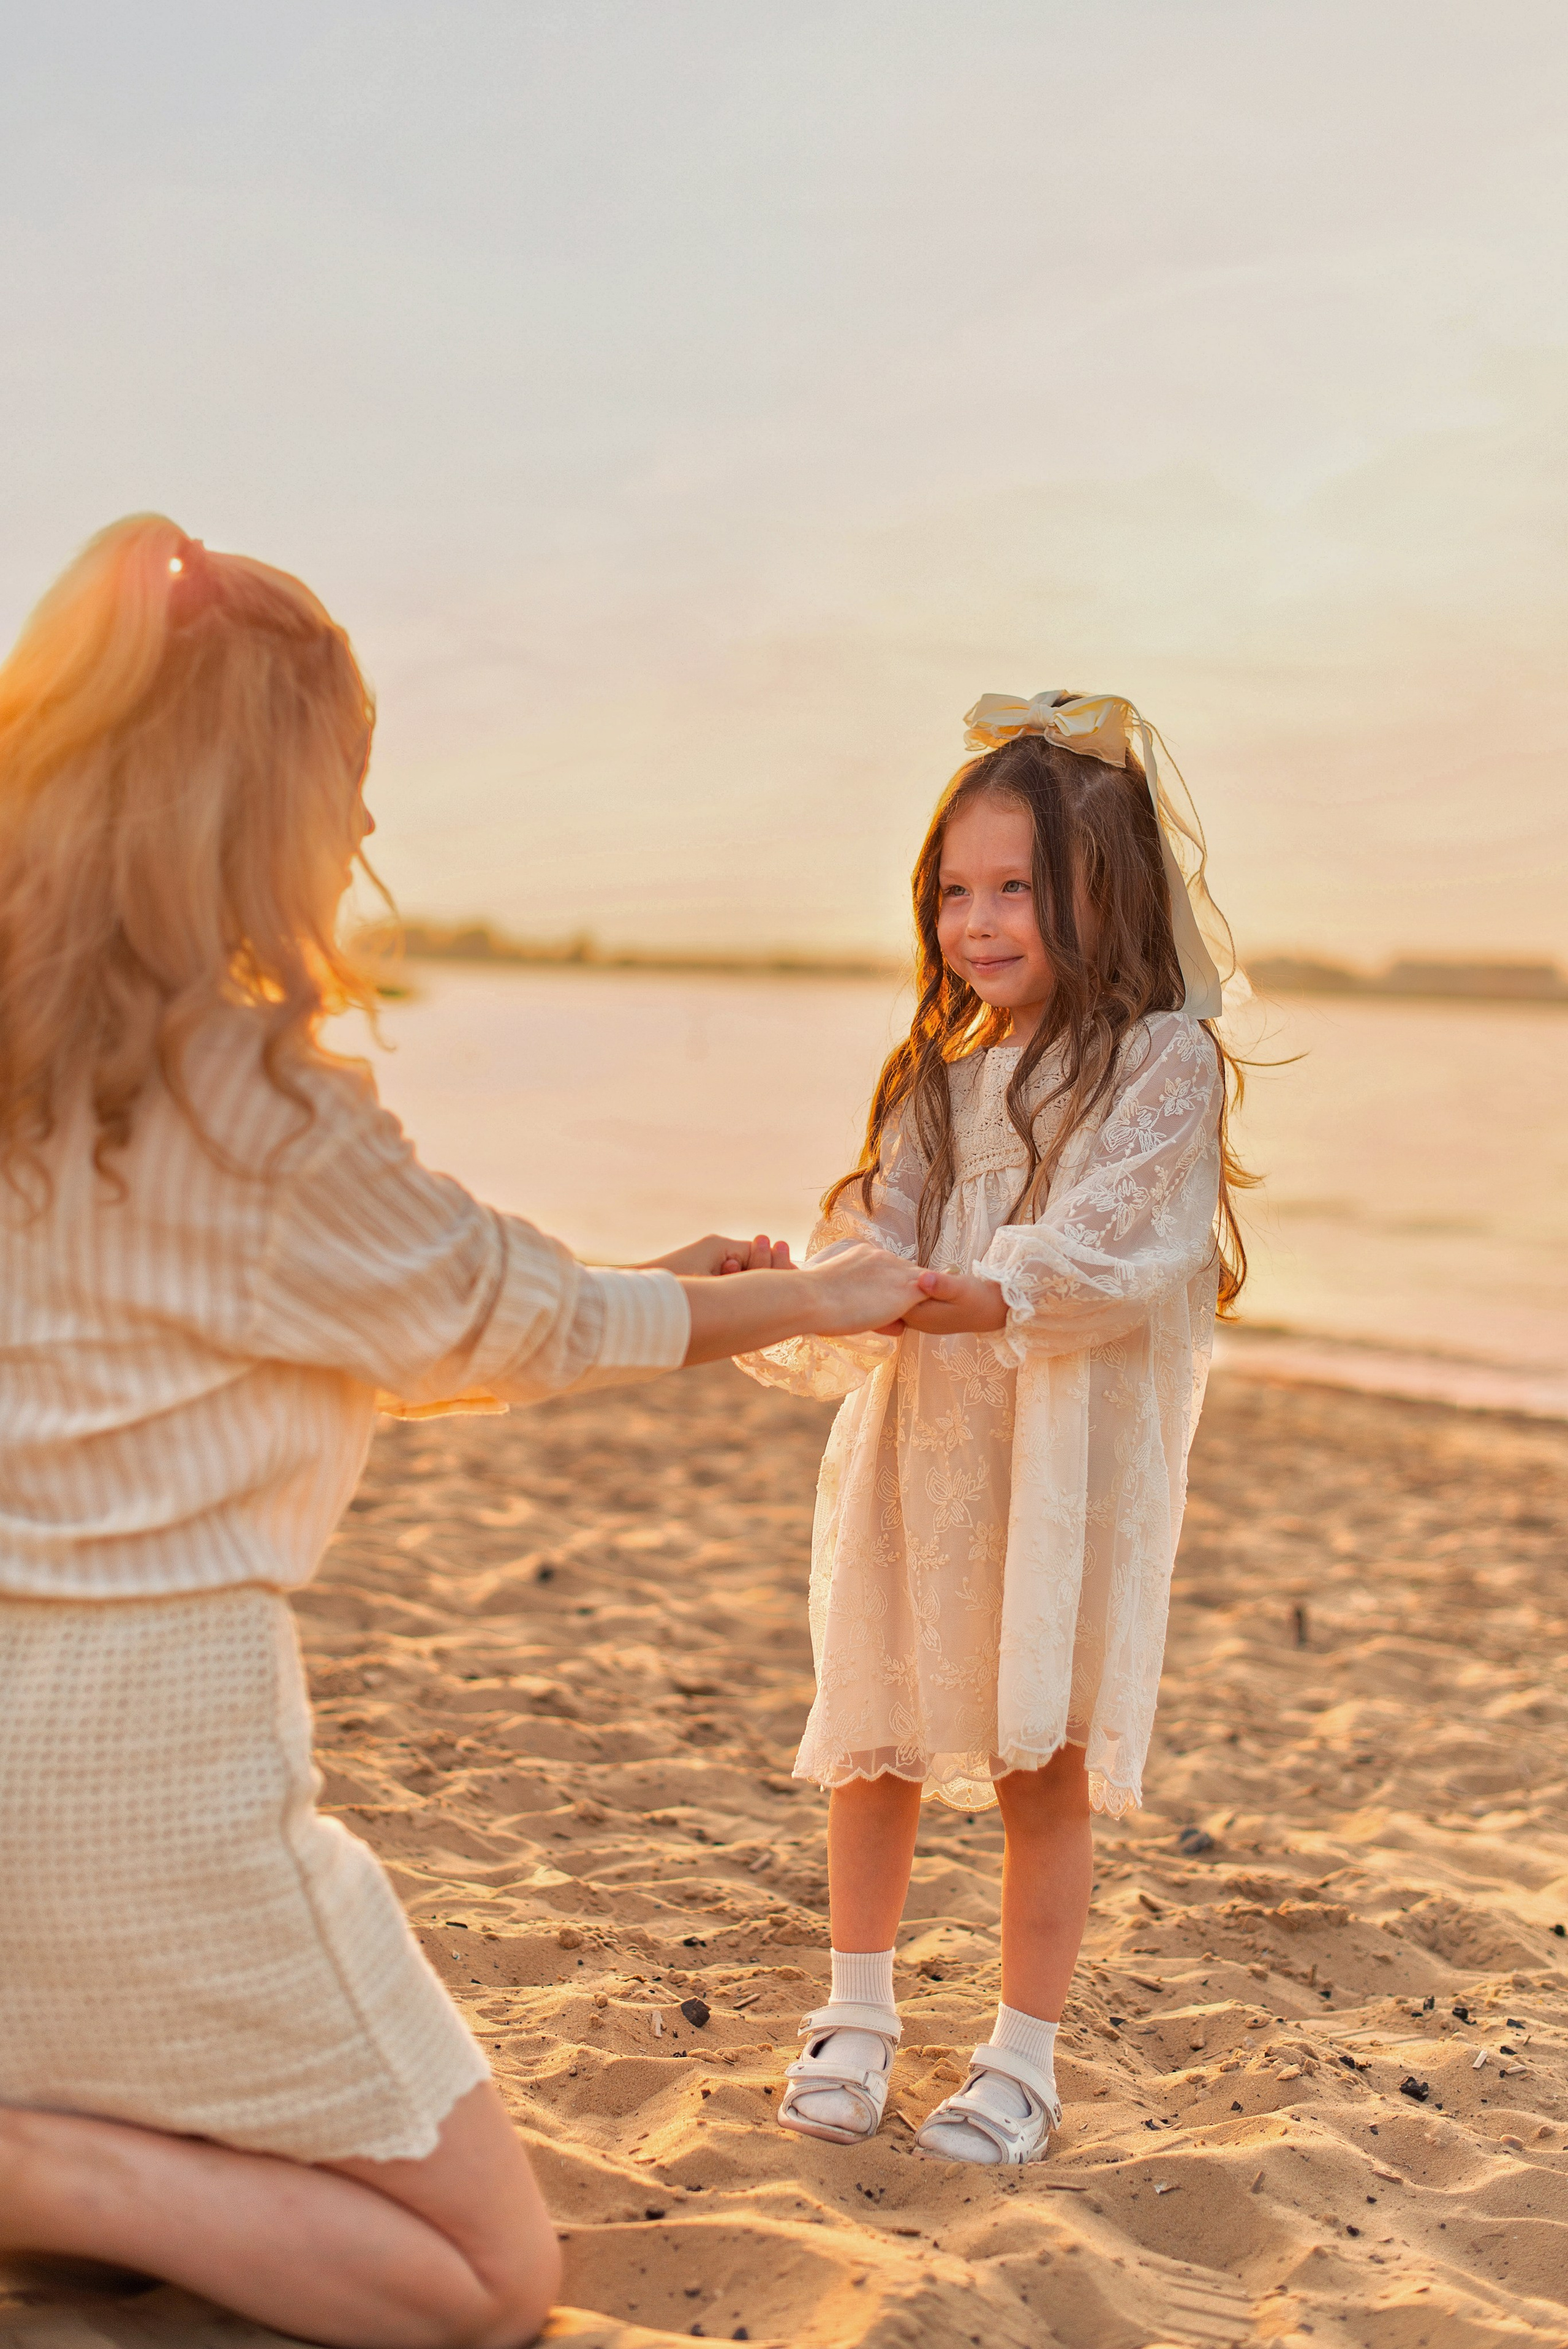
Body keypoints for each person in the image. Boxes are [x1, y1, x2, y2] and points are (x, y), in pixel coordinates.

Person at [0, 516, 934, 2348]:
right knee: (481, 2278)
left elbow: (359, 1323)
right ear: (252, 810)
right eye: (345, 797)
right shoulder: (264, 1103)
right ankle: (38, 2171)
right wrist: (811, 1294)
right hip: (150, 1772)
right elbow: (531, 1323)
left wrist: (657, 1271)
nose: (357, 845)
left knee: (154, 2169)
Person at [736, 689, 1251, 2165]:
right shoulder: (934, 1088)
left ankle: (1022, 2056)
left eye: (1013, 886)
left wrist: (964, 1289)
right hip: (925, 1458)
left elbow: (1109, 1257)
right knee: (877, 1733)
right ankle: (855, 2011)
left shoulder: (1161, 1064)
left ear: (1103, 889)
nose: (977, 920)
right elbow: (867, 1255)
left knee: (1044, 1758)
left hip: (1061, 1464)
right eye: (954, 892)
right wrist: (806, 1286)